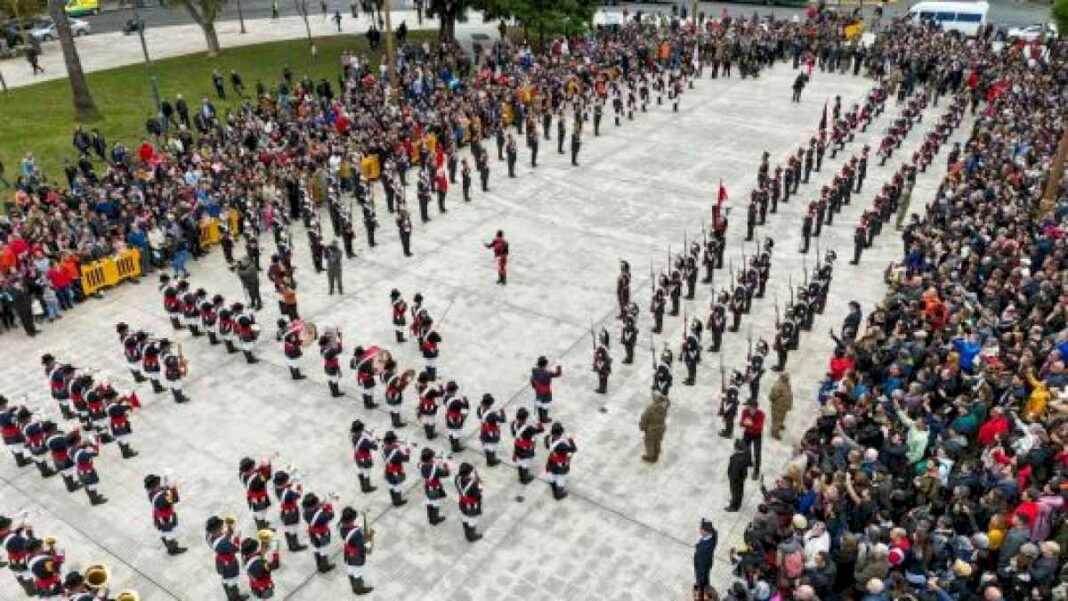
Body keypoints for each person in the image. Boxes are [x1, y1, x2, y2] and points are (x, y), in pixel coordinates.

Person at [205, 515, 247, 601]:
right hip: (229, 564)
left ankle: (229, 596)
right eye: (221, 528)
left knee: (225, 580)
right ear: (216, 530)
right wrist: (236, 537)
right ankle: (235, 598)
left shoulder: (209, 535)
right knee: (232, 581)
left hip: (220, 562)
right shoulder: (223, 543)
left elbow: (222, 538)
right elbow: (236, 548)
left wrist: (229, 531)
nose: (222, 530)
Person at [338, 507, 374, 594]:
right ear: (351, 520)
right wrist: (369, 541)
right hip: (356, 556)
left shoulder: (341, 526)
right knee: (357, 572)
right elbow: (362, 548)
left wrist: (356, 528)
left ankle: (353, 585)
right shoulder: (357, 534)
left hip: (348, 553)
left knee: (350, 570)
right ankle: (359, 589)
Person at [543, 422, 577, 500]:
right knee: (560, 480)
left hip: (550, 463)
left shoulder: (548, 438)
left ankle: (554, 490)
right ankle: (558, 495)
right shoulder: (562, 444)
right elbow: (574, 449)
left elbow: (547, 446)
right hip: (560, 466)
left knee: (552, 478)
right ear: (561, 432)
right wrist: (570, 439)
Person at [455, 462, 483, 541]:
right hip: (471, 506)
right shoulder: (473, 483)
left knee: (464, 518)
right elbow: (477, 496)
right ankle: (471, 536)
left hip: (462, 502)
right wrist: (479, 488)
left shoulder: (457, 478)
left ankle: (467, 533)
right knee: (472, 520)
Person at [639, 391, 669, 463]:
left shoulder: (650, 408)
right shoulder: (664, 406)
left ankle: (651, 457)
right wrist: (663, 397)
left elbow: (644, 418)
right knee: (657, 441)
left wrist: (642, 427)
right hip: (661, 427)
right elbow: (668, 401)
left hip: (652, 429)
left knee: (649, 443)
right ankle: (657, 454)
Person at [739, 399, 764, 479]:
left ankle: (756, 471)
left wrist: (750, 424)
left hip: (757, 435)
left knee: (757, 453)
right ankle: (748, 462)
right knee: (745, 449)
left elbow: (759, 427)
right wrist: (746, 423)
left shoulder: (761, 414)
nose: (747, 407)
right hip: (747, 433)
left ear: (754, 407)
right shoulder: (745, 412)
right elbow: (741, 423)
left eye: (748, 406)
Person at [693, 519, 718, 600]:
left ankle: (702, 595)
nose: (700, 530)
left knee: (702, 582)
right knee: (706, 576)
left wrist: (700, 581)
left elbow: (701, 569)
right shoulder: (713, 535)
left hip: (702, 567)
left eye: (702, 529)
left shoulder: (703, 551)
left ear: (707, 531)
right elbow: (714, 531)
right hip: (708, 562)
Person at [724, 438, 750, 511]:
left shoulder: (736, 459)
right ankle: (738, 503)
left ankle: (734, 506)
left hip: (736, 479)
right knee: (740, 491)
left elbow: (734, 472)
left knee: (735, 491)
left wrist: (732, 478)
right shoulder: (745, 454)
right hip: (742, 477)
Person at [767, 372, 792, 440]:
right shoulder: (778, 386)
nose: (788, 378)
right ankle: (774, 432)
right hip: (778, 407)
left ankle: (780, 425)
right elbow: (772, 396)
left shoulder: (786, 383)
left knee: (782, 417)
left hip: (783, 406)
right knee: (776, 420)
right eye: (786, 377)